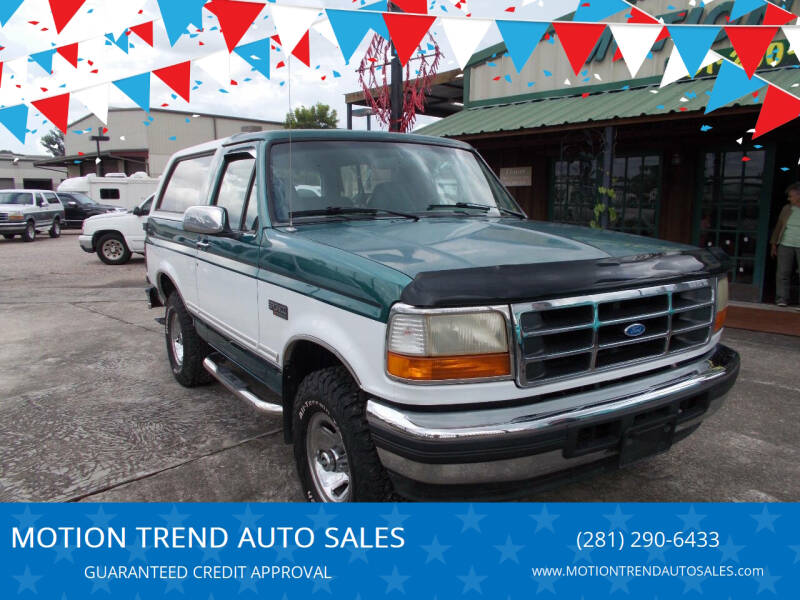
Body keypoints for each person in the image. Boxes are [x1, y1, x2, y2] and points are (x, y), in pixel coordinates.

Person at [771, 182, 800, 307]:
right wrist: (774, 244)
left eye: (791, 196)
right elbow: (778, 227)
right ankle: (782, 298)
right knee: (783, 273)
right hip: (785, 243)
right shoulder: (786, 209)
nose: (789, 199)